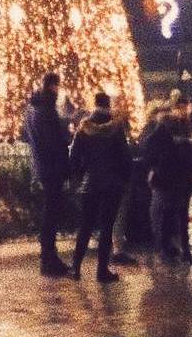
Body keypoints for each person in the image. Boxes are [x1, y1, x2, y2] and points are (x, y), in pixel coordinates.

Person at [68, 91, 131, 282]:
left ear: (94, 104)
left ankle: (75, 267)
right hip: (112, 184)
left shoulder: (84, 128)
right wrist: (124, 177)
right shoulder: (116, 128)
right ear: (108, 104)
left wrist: (81, 175)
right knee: (107, 227)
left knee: (86, 226)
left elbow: (73, 158)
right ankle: (102, 271)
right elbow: (125, 157)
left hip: (91, 184)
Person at [22, 71, 72, 276]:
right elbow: (53, 140)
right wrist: (66, 134)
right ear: (53, 86)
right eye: (58, 86)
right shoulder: (46, 109)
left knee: (50, 211)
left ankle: (49, 256)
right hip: (52, 166)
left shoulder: (34, 108)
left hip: (44, 166)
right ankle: (48, 258)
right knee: (52, 212)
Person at [144, 105, 192, 263]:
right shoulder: (171, 137)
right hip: (175, 180)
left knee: (167, 217)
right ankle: (177, 250)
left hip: (169, 181)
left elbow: (149, 158)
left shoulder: (156, 136)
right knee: (176, 217)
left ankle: (169, 250)